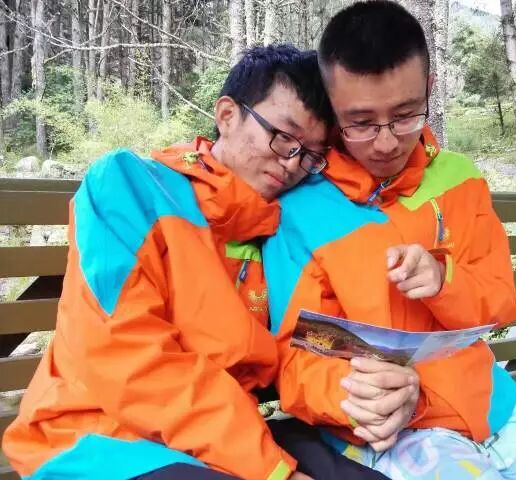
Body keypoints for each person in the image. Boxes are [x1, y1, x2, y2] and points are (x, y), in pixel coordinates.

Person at [263, 3, 516, 479]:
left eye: (405, 115)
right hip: (394, 433)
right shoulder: (300, 212)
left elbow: (500, 300)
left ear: (430, 88)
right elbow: (296, 355)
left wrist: (445, 281)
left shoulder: (459, 179)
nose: (385, 142)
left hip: (496, 405)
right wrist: (357, 397)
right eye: (360, 123)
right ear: (331, 107)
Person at [1, 45, 389, 480]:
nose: (293, 163)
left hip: (223, 432)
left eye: (311, 155)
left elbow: (298, 349)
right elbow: (128, 357)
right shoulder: (129, 187)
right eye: (284, 137)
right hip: (94, 433)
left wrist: (356, 397)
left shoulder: (281, 225)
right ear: (227, 115)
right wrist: (273, 470)